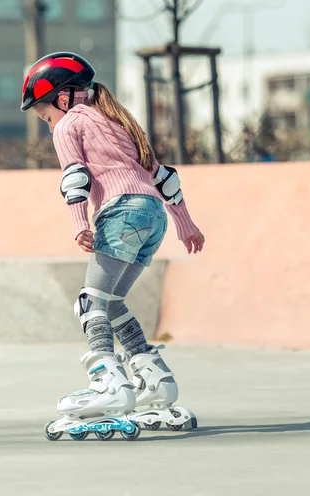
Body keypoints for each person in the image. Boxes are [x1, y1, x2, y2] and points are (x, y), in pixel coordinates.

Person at [21, 52, 203, 441]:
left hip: (120, 213)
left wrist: (80, 224)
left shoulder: (68, 124)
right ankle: (155, 382)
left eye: (43, 113)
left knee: (90, 302)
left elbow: (75, 177)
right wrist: (186, 224)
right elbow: (163, 176)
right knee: (113, 301)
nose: (46, 121)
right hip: (152, 215)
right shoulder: (119, 121)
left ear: (63, 98)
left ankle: (109, 383)